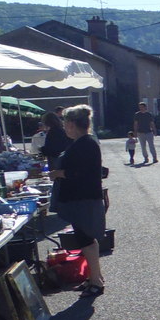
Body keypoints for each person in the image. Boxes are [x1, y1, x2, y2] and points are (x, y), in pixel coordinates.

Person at [49, 104, 107, 298]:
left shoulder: (86, 143)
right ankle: (94, 277)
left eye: (65, 123)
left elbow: (82, 172)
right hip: (81, 198)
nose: (64, 127)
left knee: (86, 239)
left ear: (72, 124)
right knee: (85, 239)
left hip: (84, 198)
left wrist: (59, 173)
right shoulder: (83, 142)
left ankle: (96, 281)